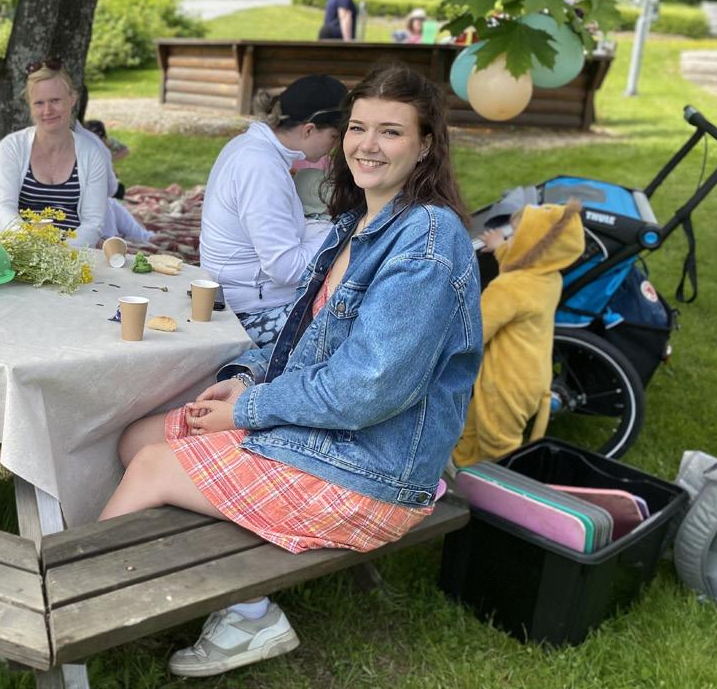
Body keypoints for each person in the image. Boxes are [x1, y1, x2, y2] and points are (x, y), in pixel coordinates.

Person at [99, 65, 483, 677]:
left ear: (425, 146)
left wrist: (246, 412)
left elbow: (368, 387)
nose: (367, 145)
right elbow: (302, 337)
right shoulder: (353, 226)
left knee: (152, 465)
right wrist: (247, 378)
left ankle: (72, 612)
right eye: (358, 128)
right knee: (138, 437)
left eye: (391, 132)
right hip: (323, 435)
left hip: (373, 468)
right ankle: (239, 601)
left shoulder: (428, 244)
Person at [198, 74, 347, 348]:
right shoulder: (260, 166)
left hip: (237, 294)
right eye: (334, 136)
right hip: (247, 313)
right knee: (354, 314)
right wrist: (341, 234)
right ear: (309, 130)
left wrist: (320, 230)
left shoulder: (249, 147)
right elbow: (285, 269)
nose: (335, 146)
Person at [452, 200, 585, 467]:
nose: (508, 240)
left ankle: (506, 483)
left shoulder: (508, 289)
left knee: (499, 446)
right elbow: (523, 266)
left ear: (529, 246)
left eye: (514, 236)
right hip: (533, 378)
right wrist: (502, 248)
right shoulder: (549, 278)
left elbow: (474, 332)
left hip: (505, 384)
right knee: (474, 427)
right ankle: (464, 469)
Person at [0, 59, 108, 248]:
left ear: (72, 99)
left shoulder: (91, 154)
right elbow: (2, 208)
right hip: (18, 251)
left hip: (73, 254)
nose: (47, 111)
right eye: (39, 103)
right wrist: (31, 247)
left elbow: (93, 222)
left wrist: (60, 253)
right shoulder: (11, 147)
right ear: (30, 106)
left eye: (55, 101)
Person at [75, 87, 152, 243]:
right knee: (108, 204)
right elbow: (110, 189)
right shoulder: (92, 144)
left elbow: (110, 189)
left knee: (110, 203)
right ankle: (141, 236)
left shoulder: (92, 144)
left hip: (90, 222)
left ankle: (144, 236)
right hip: (83, 228)